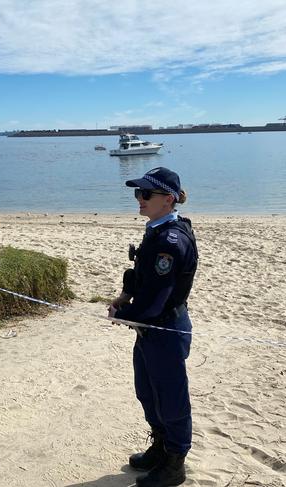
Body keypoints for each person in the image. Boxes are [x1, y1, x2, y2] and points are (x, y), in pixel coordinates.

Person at [108, 167, 198, 487]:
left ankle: (175, 463)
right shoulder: (156, 229)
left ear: (169, 199)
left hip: (164, 328)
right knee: (147, 391)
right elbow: (141, 275)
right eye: (138, 193)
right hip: (149, 328)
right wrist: (126, 296)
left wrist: (126, 313)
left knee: (170, 397)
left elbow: (156, 300)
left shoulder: (171, 240)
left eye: (146, 194)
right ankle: (160, 447)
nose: (139, 199)